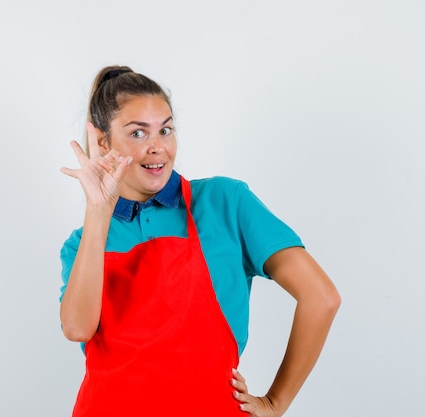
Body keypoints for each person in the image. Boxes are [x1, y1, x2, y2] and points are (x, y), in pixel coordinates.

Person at [59, 65, 341, 417]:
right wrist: (99, 211)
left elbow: (321, 297)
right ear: (103, 142)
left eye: (165, 129)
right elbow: (76, 328)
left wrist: (275, 402)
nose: (157, 147)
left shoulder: (224, 202)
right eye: (138, 134)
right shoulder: (84, 241)